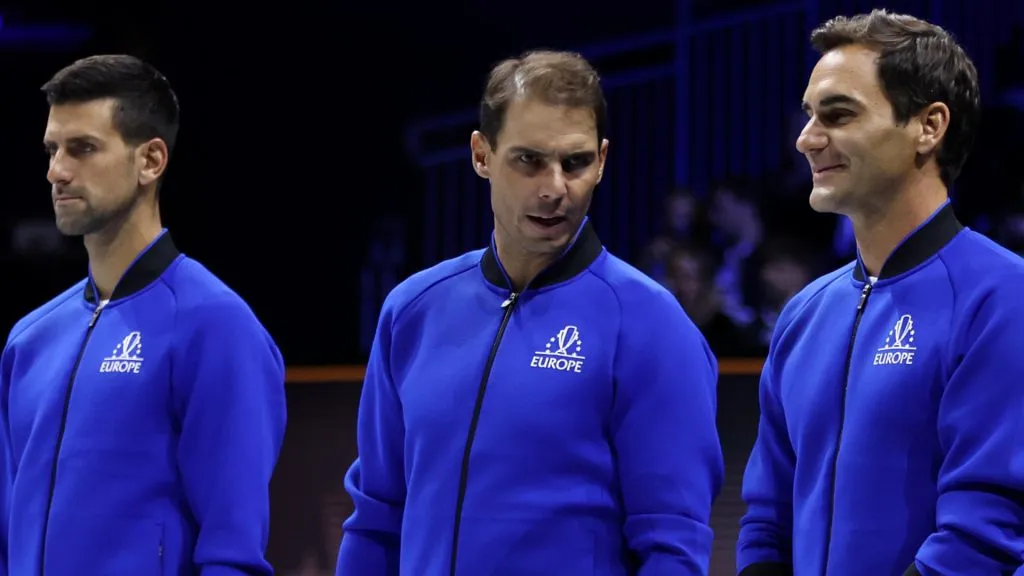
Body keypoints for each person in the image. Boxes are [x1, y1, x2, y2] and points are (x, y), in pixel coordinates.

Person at [337, 50, 724, 575]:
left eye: (576, 162)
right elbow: (377, 520)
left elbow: (673, 547)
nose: (554, 189)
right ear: (481, 154)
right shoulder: (413, 310)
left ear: (603, 161)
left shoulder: (651, 325)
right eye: (529, 160)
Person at [737, 9, 1024, 576]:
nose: (807, 139)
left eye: (838, 115)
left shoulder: (1004, 297)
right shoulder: (804, 314)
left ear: (929, 126)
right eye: (809, 116)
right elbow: (766, 520)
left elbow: (985, 532)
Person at [0, 54, 287, 575]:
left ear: (151, 161)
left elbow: (233, 552)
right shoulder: (28, 341)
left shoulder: (216, 327)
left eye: (82, 149)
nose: (56, 171)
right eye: (52, 150)